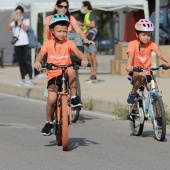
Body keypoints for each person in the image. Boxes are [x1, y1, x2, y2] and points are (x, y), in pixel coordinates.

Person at [34, 14, 88, 136]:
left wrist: (84, 59)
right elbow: (41, 54)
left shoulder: (68, 43)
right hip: (53, 75)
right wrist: (38, 61)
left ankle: (74, 97)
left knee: (72, 69)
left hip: (66, 73)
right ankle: (48, 122)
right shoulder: (48, 44)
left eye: (64, 31)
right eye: (59, 31)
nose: (62, 34)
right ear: (52, 30)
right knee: (52, 99)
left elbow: (78, 52)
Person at [126, 19, 170, 105]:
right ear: (137, 35)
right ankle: (133, 93)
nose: (146, 37)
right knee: (141, 75)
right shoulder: (132, 44)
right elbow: (130, 55)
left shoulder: (151, 44)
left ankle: (159, 117)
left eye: (149, 35)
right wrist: (129, 66)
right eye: (144, 35)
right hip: (136, 72)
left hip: (148, 73)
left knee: (156, 93)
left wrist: (169, 61)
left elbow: (160, 53)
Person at [7, 5, 34, 86]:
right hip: (17, 44)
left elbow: (27, 28)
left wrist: (21, 22)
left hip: (25, 43)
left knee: (27, 62)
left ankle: (31, 80)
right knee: (21, 62)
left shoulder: (26, 20)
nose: (18, 14)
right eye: (16, 13)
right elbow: (8, 28)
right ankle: (22, 79)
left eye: (19, 13)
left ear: (22, 13)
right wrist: (11, 19)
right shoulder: (13, 22)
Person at [78, 1, 98, 83]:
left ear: (86, 6)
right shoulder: (86, 15)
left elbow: (93, 24)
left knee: (93, 57)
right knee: (89, 58)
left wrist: (82, 24)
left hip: (92, 38)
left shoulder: (91, 13)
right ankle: (91, 75)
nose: (82, 8)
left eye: (83, 6)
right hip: (87, 38)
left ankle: (94, 75)